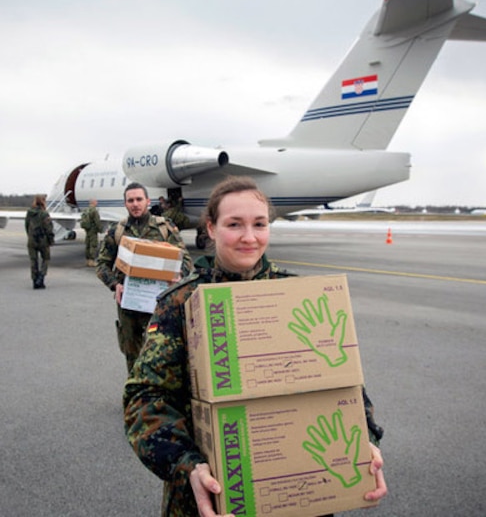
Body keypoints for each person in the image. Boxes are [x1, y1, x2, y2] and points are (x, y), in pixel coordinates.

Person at [123, 176, 387, 516]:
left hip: (300, 495)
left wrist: (365, 444)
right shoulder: (181, 303)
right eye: (234, 224)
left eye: (259, 224)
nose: (250, 237)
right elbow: (145, 399)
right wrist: (188, 465)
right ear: (212, 228)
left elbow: (345, 392)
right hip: (212, 499)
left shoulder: (299, 299)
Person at [96, 182, 193, 373]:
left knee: (161, 352)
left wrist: (177, 275)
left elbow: (185, 260)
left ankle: (158, 396)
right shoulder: (117, 231)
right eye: (130, 200)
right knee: (131, 354)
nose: (135, 204)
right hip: (128, 303)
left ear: (148, 201)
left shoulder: (164, 227)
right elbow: (101, 264)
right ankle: (136, 398)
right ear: (125, 204)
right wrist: (115, 285)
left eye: (139, 199)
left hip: (158, 302)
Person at [25, 194, 55, 289]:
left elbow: (26, 225)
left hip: (32, 240)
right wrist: (51, 240)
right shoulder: (44, 214)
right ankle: (41, 278)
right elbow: (48, 229)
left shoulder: (29, 212)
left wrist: (30, 236)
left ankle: (35, 280)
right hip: (43, 240)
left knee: (33, 261)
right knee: (46, 259)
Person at [80, 198, 102, 267]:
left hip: (87, 230)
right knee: (93, 245)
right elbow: (97, 221)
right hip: (93, 230)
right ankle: (91, 261)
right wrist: (100, 229)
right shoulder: (94, 211)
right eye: (96, 202)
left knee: (88, 245)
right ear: (93, 202)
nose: (97, 203)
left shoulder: (86, 210)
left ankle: (87, 260)